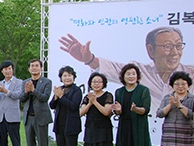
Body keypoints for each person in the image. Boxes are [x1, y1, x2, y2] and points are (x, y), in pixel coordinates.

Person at [59, 27, 194, 106]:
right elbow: (112, 68)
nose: (175, 52)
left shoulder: (191, 73)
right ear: (150, 50)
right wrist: (89, 59)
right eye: (168, 46)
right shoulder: (139, 71)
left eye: (178, 46)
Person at [111, 63, 154, 146]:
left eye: (133, 74)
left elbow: (145, 110)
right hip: (125, 127)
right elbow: (119, 112)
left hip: (139, 128)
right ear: (123, 76)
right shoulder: (119, 92)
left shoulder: (143, 90)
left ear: (137, 76)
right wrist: (117, 111)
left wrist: (135, 109)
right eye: (128, 74)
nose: (131, 76)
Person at [80, 73, 115, 146]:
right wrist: (90, 102)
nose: (96, 84)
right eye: (94, 81)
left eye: (99, 81)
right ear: (90, 83)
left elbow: (106, 112)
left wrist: (95, 102)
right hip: (91, 128)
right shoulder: (87, 96)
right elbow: (81, 112)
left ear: (103, 83)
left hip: (103, 129)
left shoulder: (108, 96)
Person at [49, 66, 83, 146]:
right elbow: (52, 105)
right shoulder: (60, 89)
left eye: (69, 75)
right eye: (64, 76)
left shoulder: (77, 90)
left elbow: (73, 105)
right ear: (61, 78)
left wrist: (61, 96)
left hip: (71, 125)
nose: (67, 78)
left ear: (73, 76)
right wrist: (56, 96)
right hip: (60, 125)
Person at [20, 59, 53, 146]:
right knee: (30, 144)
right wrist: (26, 92)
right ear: (29, 69)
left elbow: (45, 98)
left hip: (41, 117)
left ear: (41, 68)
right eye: (32, 66)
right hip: (29, 117)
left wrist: (33, 90)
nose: (34, 68)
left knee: (42, 144)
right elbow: (22, 99)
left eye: (36, 66)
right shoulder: (25, 82)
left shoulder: (46, 82)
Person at [0, 61, 23, 146]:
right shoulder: (0, 83)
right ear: (2, 71)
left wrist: (5, 90)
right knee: (3, 141)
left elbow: (18, 95)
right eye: (5, 69)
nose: (8, 71)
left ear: (12, 69)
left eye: (9, 68)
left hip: (13, 116)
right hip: (1, 116)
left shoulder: (19, 82)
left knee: (15, 141)